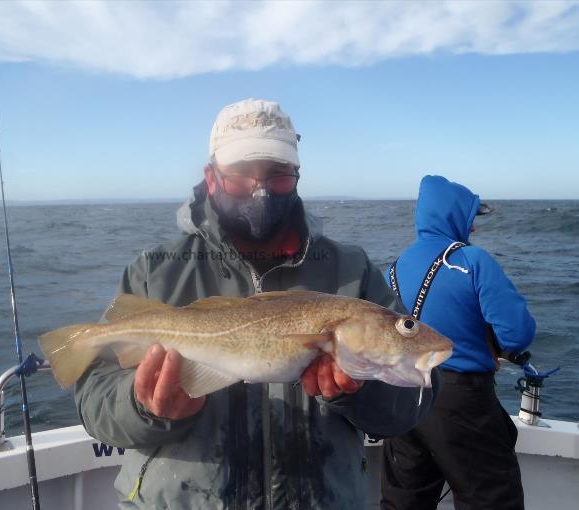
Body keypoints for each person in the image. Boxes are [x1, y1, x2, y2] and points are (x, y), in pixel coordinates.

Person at [75, 99, 440, 509]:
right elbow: (94, 399)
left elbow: (412, 407)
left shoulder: (352, 271)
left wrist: (354, 394)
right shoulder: (154, 270)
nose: (260, 189)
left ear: (297, 177)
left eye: (278, 175)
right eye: (240, 175)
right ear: (210, 178)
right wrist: (143, 407)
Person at [380, 175, 535, 510]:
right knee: (491, 500)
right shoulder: (473, 262)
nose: (473, 229)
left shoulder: (391, 270)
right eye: (470, 218)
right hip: (462, 403)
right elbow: (518, 333)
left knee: (403, 501)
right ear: (452, 216)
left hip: (401, 400)